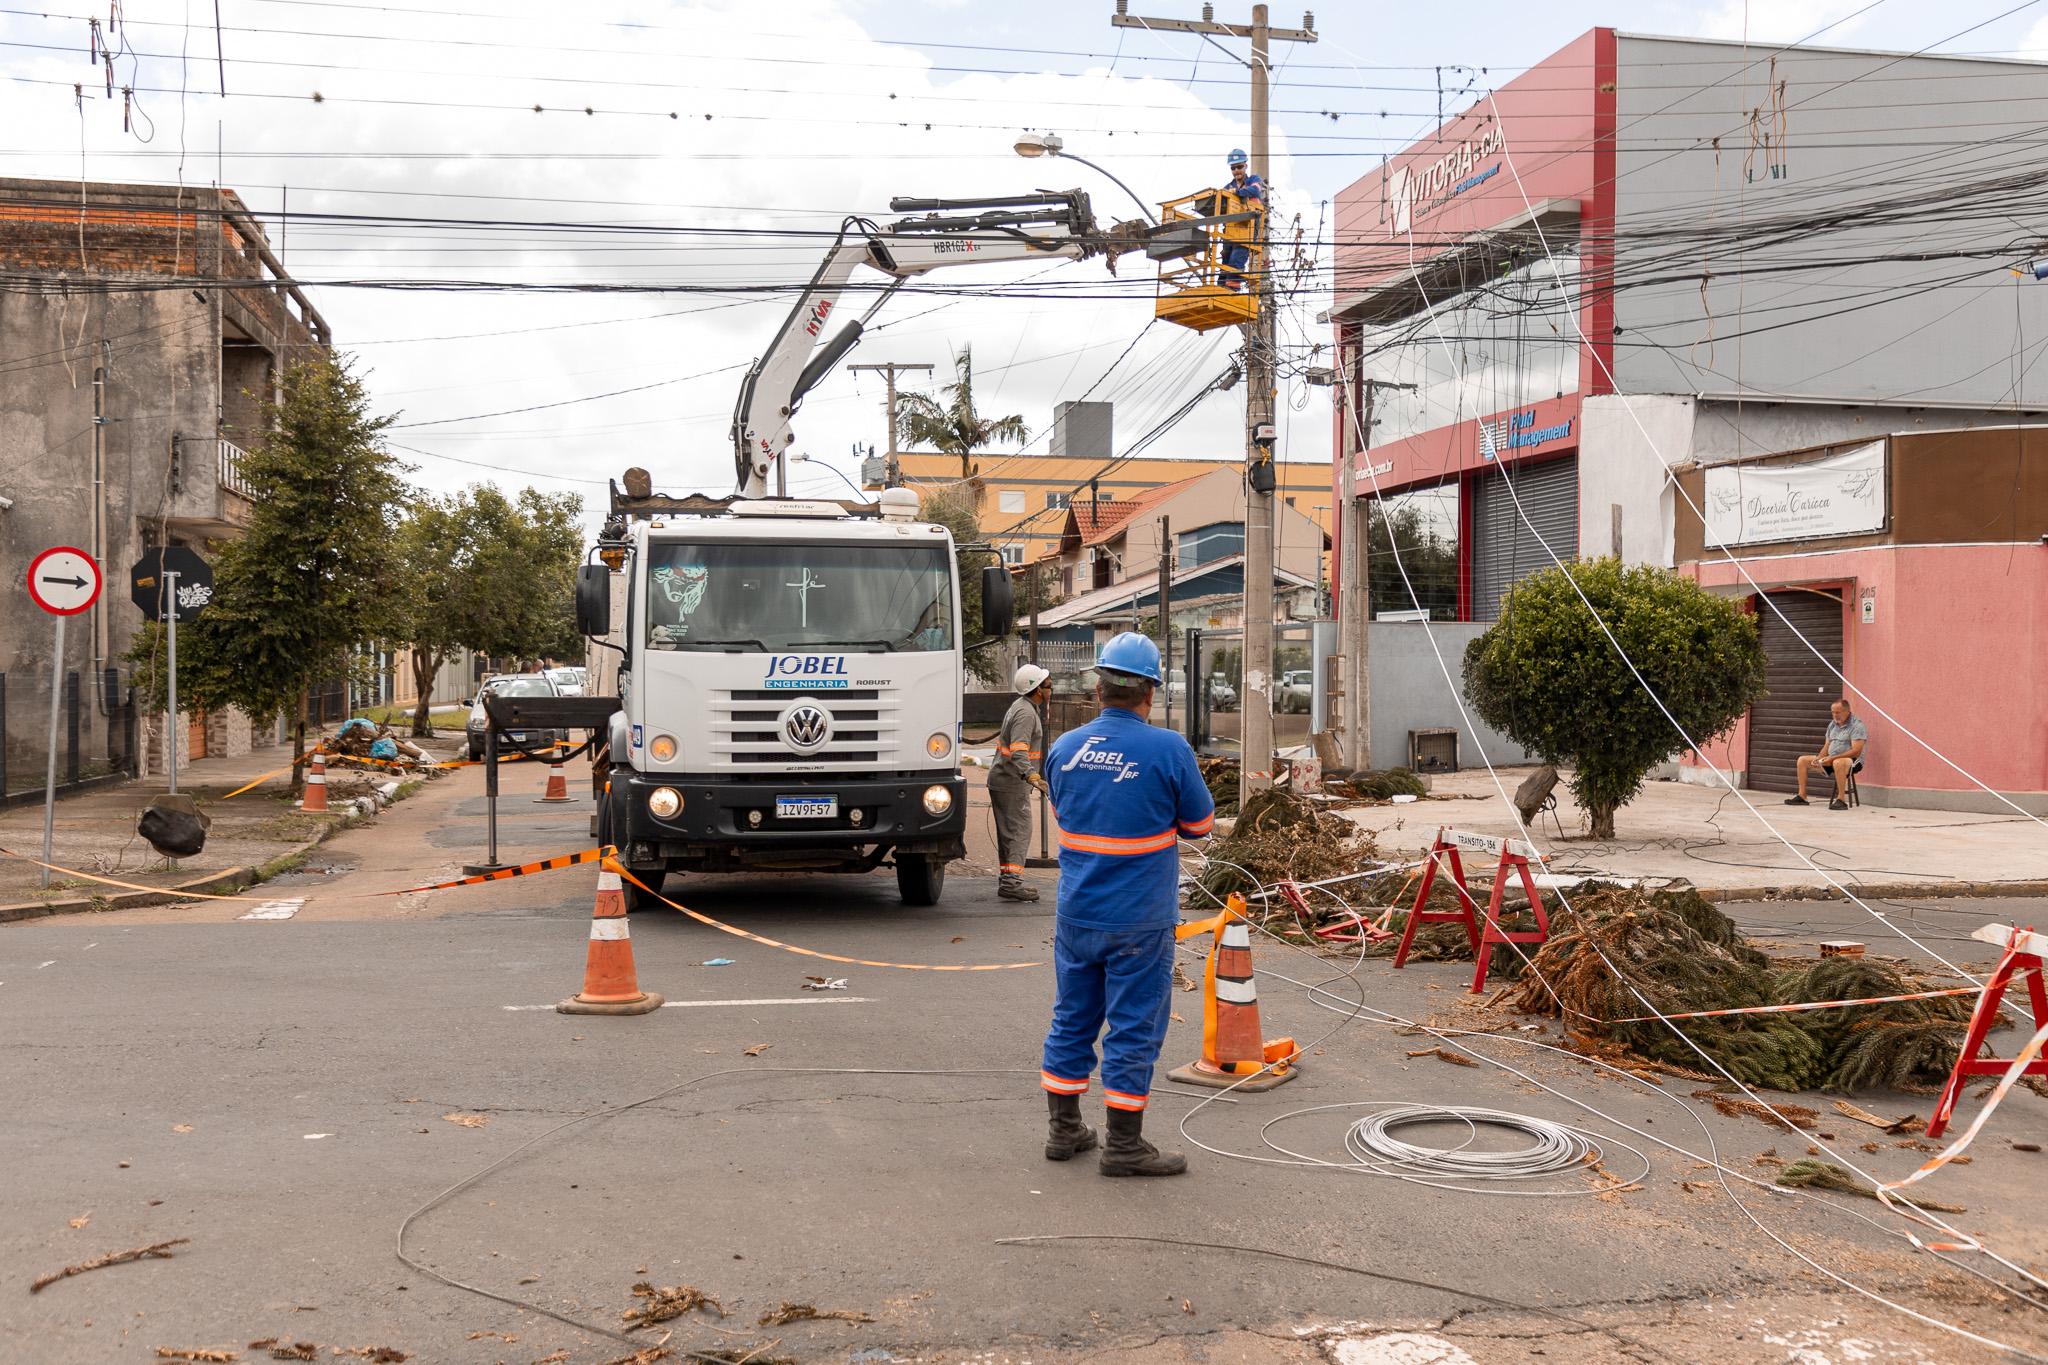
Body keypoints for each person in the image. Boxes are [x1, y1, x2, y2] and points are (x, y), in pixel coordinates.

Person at [1038, 632, 1216, 1177]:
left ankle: (1065, 1130)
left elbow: (1066, 817)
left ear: (1098, 690)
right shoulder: (1168, 749)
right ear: (1151, 694)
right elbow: (1201, 826)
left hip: (1077, 914)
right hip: (1139, 918)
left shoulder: (1064, 749)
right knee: (1134, 1025)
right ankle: (1123, 1145)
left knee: (1072, 1018)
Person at [990, 664, 1052, 902]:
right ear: (1037, 690)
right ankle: (1012, 883)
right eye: (1048, 686)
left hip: (1004, 779)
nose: (1051, 689)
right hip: (1012, 781)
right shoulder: (1026, 713)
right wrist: (1032, 775)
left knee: (1009, 832)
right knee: (1019, 831)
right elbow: (1018, 750)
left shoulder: (1021, 707)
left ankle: (1008, 880)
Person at [1786, 699, 1867, 810]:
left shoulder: (1857, 726)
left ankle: (1841, 800)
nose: (1835, 715)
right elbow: (1827, 745)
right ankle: (1802, 796)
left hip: (1852, 761)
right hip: (1831, 759)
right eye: (1833, 712)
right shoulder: (1833, 724)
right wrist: (1819, 758)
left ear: (1847, 711)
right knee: (1802, 760)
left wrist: (1833, 758)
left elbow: (1856, 751)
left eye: (1837, 712)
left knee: (1838, 762)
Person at [1218, 148, 1263, 292]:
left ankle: (1231, 292)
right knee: (1225, 260)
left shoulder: (1253, 180)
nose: (1236, 170)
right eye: (1233, 168)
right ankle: (1220, 290)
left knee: (1236, 259)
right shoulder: (1228, 187)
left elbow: (1255, 190)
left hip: (1247, 230)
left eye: (1239, 167)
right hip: (1231, 232)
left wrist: (1237, 193)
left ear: (1246, 166)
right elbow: (1219, 202)